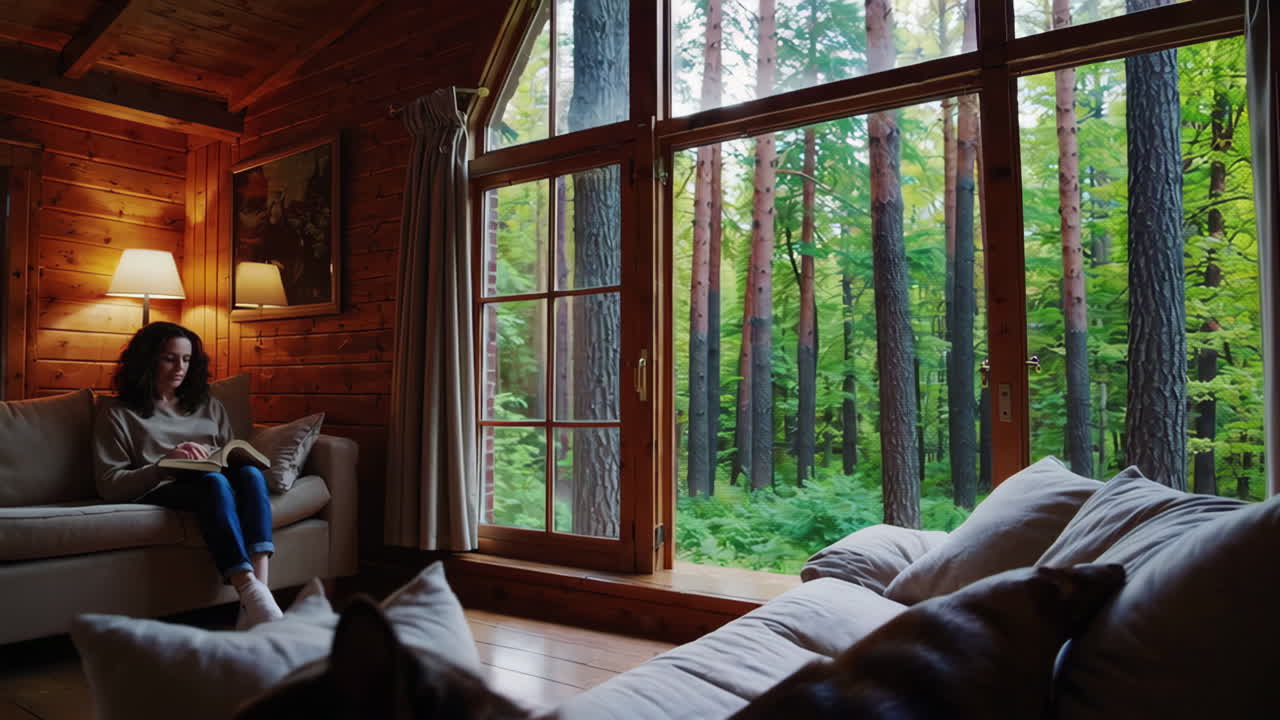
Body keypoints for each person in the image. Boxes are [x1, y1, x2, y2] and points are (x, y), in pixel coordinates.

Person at [92, 321, 283, 630]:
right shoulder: (117, 412)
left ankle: (256, 600)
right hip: (162, 485)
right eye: (169, 358)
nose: (179, 368)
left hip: (211, 478)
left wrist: (215, 455)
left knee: (249, 474)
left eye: (186, 359)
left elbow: (227, 453)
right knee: (214, 482)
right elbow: (110, 485)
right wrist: (164, 464)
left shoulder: (209, 405)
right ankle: (248, 589)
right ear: (147, 359)